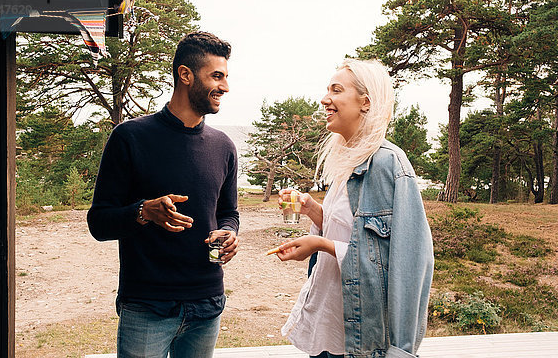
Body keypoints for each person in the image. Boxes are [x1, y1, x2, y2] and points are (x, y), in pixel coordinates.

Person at [87, 31, 240, 358]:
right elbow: (98, 223)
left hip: (207, 303)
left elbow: (229, 211)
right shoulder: (129, 138)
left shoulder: (224, 146)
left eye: (226, 77)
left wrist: (229, 232)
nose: (225, 87)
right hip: (147, 306)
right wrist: (143, 212)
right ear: (185, 75)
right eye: (217, 76)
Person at [276, 59, 434, 358]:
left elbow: (409, 262)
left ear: (365, 102)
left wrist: (402, 350)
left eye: (336, 90)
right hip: (330, 322)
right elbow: (354, 233)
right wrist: (312, 209)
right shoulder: (348, 159)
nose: (325, 99)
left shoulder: (388, 164)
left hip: (361, 338)